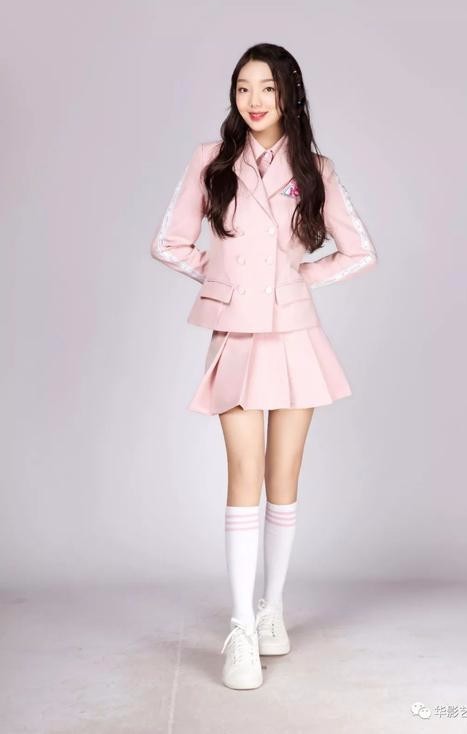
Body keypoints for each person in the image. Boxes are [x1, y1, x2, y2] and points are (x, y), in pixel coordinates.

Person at [150, 42, 378, 690]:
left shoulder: (316, 168)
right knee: (242, 476)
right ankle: (241, 629)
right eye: (243, 87)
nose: (254, 100)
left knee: (283, 479)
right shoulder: (211, 160)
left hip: (296, 335)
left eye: (268, 88)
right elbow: (169, 242)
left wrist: (302, 277)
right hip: (237, 336)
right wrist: (220, 279)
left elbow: (359, 250)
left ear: (289, 96)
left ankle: (272, 609)